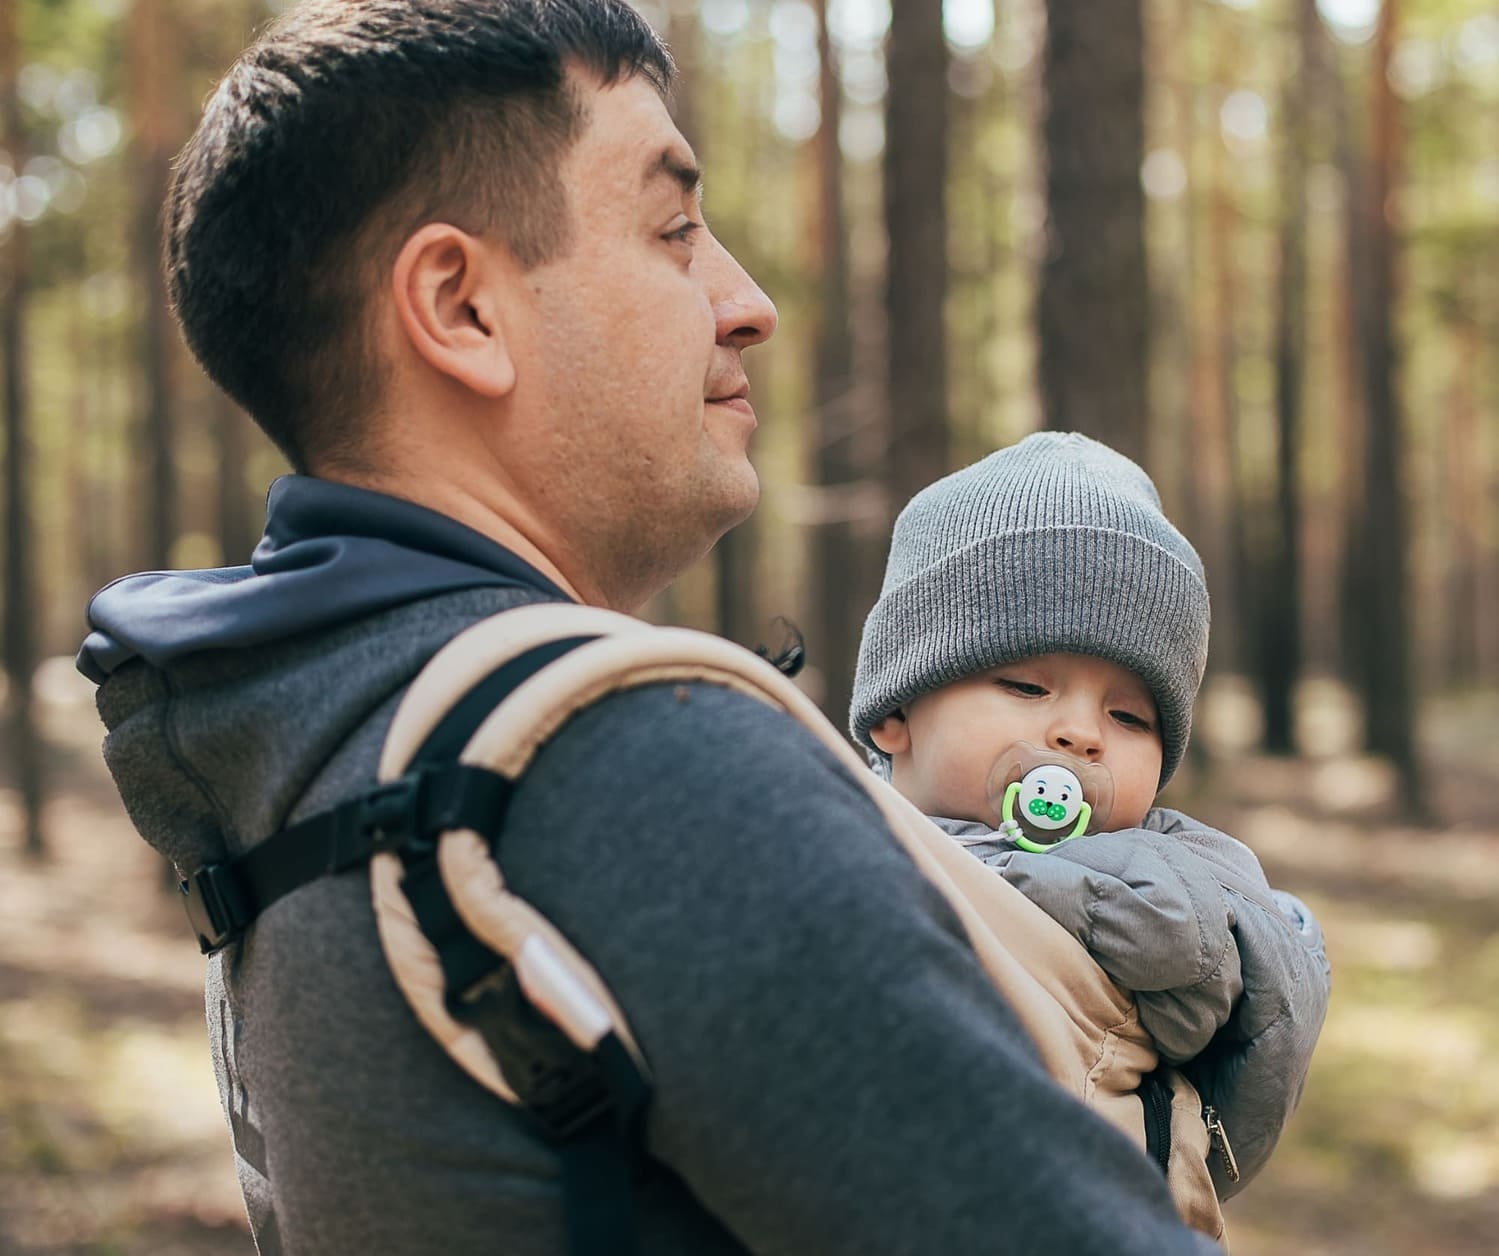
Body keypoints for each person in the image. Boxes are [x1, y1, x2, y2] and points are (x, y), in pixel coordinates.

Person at [79, 1, 1232, 1251]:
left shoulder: (307, 720)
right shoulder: (620, 761)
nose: (746, 303)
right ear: (461, 306)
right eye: (675, 229)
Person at [850, 431, 1330, 1197]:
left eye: (1129, 718)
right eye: (1025, 686)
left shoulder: (1178, 887)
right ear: (893, 711)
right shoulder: (820, 847)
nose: (1080, 734)